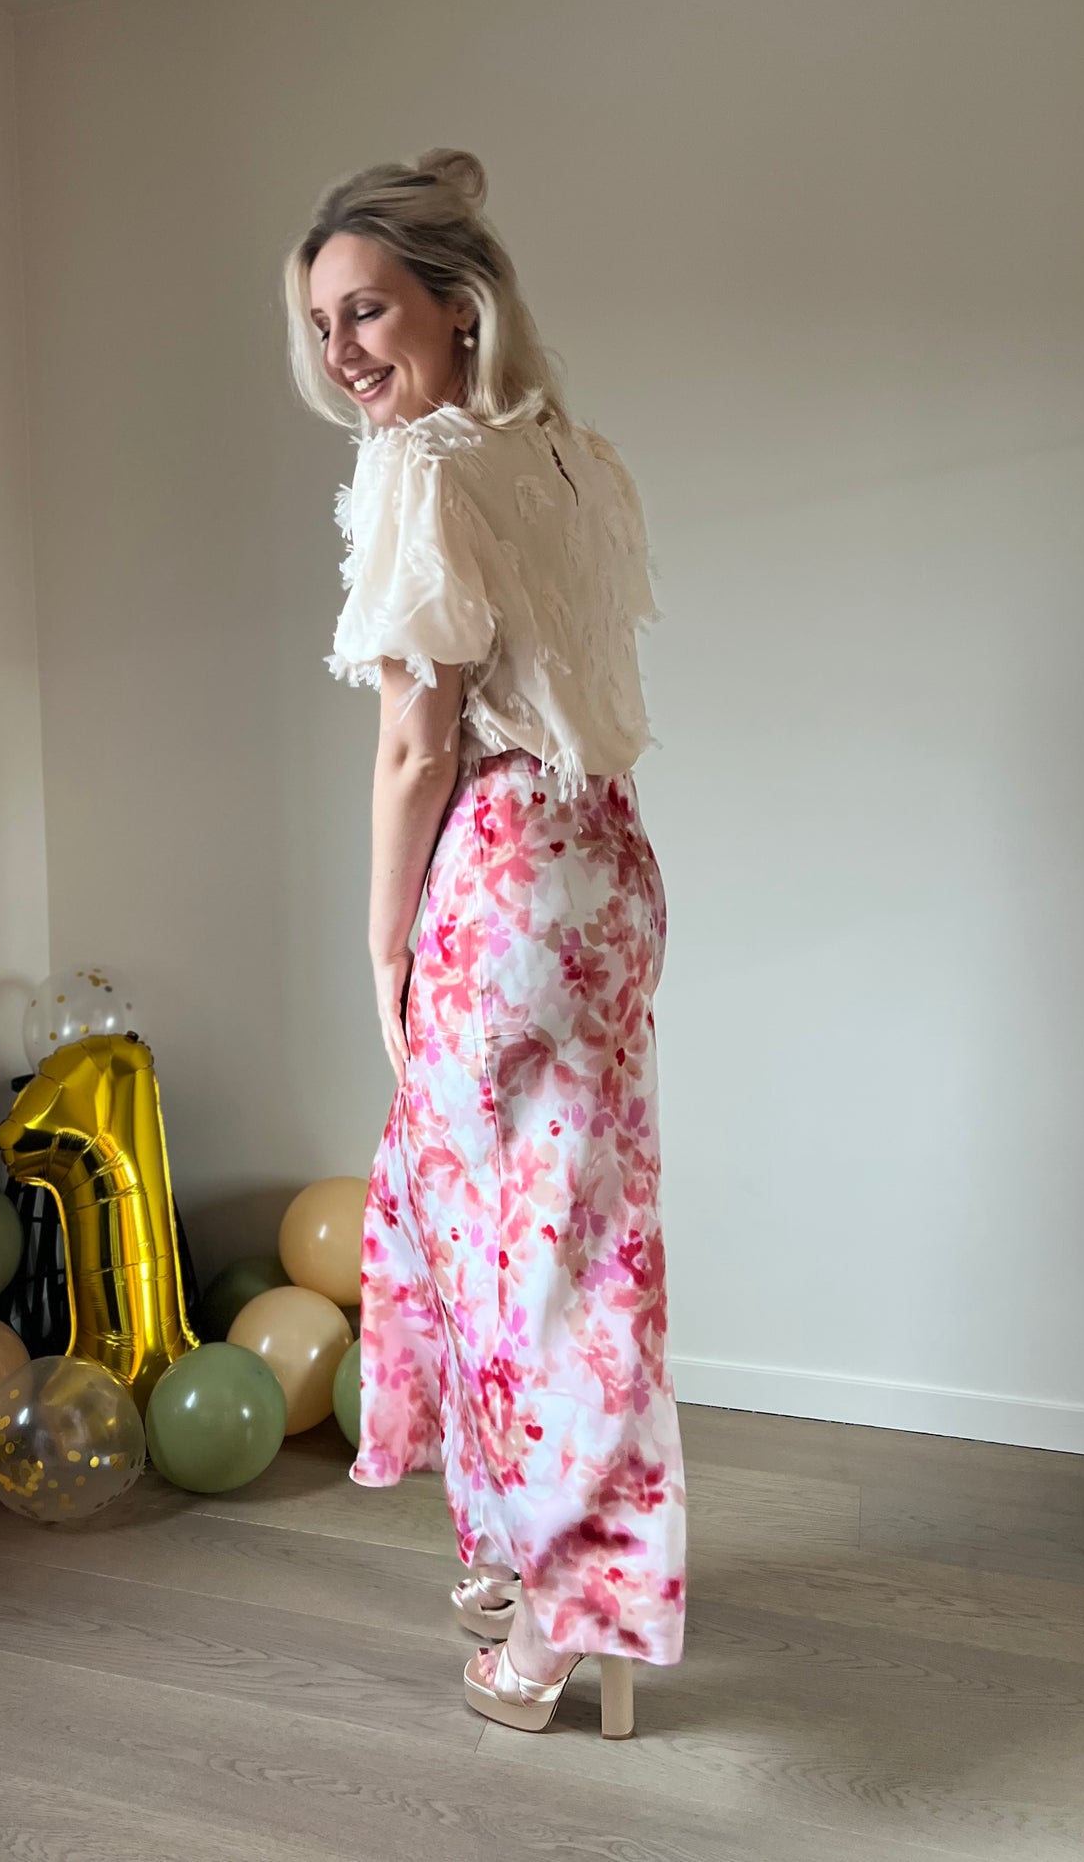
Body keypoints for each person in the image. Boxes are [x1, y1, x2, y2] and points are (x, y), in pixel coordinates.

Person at [282, 148, 686, 1739]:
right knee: (562, 1235)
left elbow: (414, 739)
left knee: (507, 1253)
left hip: (501, 873)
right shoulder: (572, 458)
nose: (342, 354)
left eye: (367, 311)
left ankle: (557, 1615)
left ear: (458, 312)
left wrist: (379, 938)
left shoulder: (423, 468)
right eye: (321, 325)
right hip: (608, 868)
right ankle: (536, 1568)